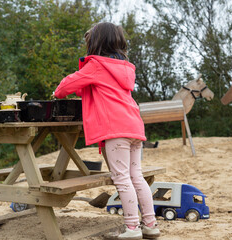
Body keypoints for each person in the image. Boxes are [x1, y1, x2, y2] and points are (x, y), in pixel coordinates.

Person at [54, 22, 160, 240]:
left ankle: (132, 228)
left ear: (95, 43)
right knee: (136, 177)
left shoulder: (96, 65)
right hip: (133, 125)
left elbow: (66, 86)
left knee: (121, 179)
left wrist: (57, 94)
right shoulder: (124, 68)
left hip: (116, 128)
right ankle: (150, 224)